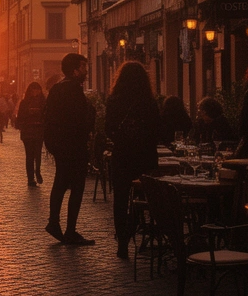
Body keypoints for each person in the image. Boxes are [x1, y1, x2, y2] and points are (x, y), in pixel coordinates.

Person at [105, 62, 164, 259]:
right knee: (143, 197)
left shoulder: (113, 101)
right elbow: (157, 130)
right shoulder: (148, 102)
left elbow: (108, 129)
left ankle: (122, 240)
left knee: (120, 199)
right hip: (145, 156)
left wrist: (122, 138)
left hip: (122, 155)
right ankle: (137, 227)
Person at [43, 53, 97, 246]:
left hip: (60, 146)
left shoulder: (57, 88)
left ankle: (54, 222)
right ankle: (69, 230)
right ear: (75, 71)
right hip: (73, 147)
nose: (86, 70)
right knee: (77, 188)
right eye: (83, 67)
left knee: (60, 183)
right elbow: (80, 119)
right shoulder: (73, 89)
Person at [16, 82, 47, 186]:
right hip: (28, 132)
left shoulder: (43, 102)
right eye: (34, 90)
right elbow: (20, 117)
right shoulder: (24, 103)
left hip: (38, 131)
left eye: (38, 89)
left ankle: (37, 172)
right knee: (29, 155)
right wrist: (28, 114)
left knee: (37, 154)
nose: (36, 92)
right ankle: (30, 178)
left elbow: (46, 115)